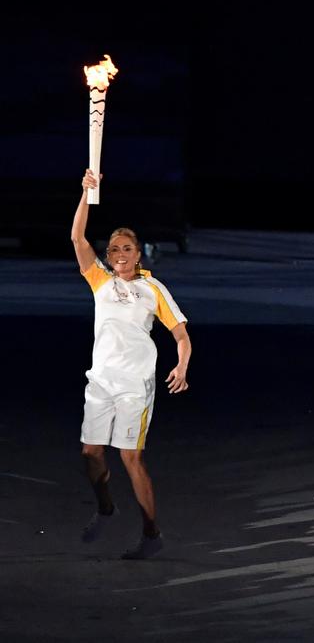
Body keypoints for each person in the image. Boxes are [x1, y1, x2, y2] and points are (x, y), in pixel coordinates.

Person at [71, 169, 192, 560]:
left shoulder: (152, 289)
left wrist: (182, 366)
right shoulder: (100, 282)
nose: (119, 254)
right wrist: (86, 193)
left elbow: (181, 335)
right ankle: (106, 507)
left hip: (135, 385)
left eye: (126, 248)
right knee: (91, 453)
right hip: (101, 382)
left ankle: (151, 534)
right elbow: (77, 238)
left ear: (138, 254)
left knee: (130, 457)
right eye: (114, 249)